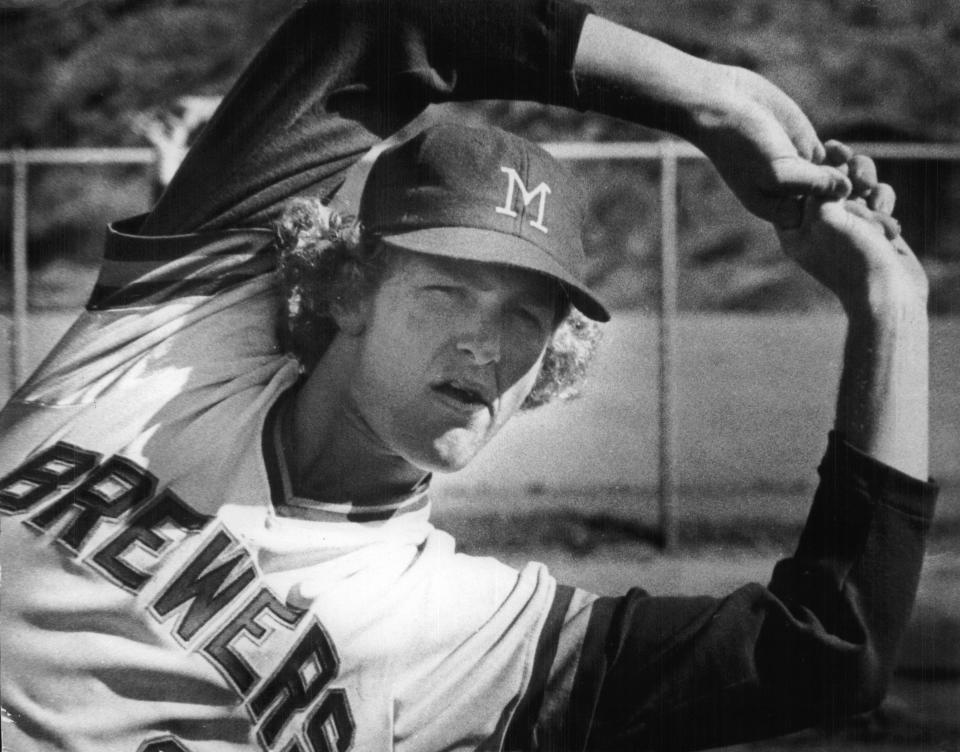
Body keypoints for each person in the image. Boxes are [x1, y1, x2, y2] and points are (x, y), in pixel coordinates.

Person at [0, 1, 936, 750]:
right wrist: (707, 97)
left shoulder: (472, 636)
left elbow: (825, 652)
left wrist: (891, 303)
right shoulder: (173, 337)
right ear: (346, 286)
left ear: (553, 363)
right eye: (447, 290)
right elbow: (390, 27)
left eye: (528, 316)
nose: (488, 347)